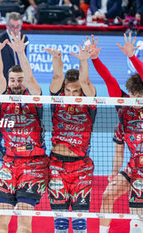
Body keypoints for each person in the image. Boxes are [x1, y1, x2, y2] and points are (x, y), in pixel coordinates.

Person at [0, 31, 48, 233]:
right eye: (12, 80)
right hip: (10, 163)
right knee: (0, 224)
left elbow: (30, 80)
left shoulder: (35, 96)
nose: (16, 84)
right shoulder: (3, 97)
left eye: (19, 80)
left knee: (23, 225)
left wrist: (21, 53)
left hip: (34, 164)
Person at [85, 33, 143, 233]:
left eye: (139, 96)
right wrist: (94, 59)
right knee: (107, 195)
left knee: (137, 209)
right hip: (134, 165)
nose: (135, 99)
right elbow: (108, 79)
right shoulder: (123, 108)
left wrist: (132, 57)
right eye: (133, 95)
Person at [44, 44, 96, 233]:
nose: (72, 95)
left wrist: (84, 60)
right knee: (61, 222)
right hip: (57, 166)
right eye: (68, 91)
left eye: (76, 92)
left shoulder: (89, 103)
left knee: (81, 222)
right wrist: (56, 58)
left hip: (81, 167)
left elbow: (87, 82)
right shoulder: (57, 100)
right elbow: (57, 77)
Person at [0, 12, 28, 161]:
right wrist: (2, 78)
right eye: (12, 26)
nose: (16, 29)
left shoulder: (24, 39)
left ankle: (15, 147)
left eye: (18, 26)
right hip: (1, 88)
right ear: (7, 25)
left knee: (17, 117)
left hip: (18, 87)